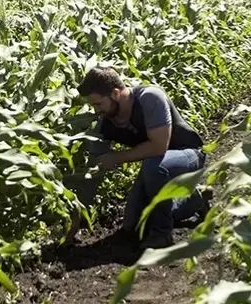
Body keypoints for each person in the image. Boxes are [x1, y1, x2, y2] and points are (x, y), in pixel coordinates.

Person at [77, 66, 210, 250]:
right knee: (133, 225)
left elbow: (158, 146)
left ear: (115, 93)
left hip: (187, 155)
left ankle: (161, 233)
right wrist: (75, 220)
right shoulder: (106, 123)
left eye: (98, 104)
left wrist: (116, 158)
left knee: (154, 166)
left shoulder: (149, 98)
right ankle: (194, 200)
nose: (96, 111)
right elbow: (95, 168)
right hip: (155, 166)